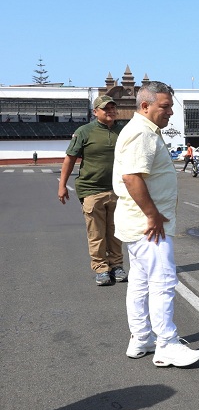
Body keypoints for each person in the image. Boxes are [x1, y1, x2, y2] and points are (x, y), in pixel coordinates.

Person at [113, 81, 199, 367]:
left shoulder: (146, 131)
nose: (171, 112)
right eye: (165, 106)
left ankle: (141, 338)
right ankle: (167, 344)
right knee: (163, 282)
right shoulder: (141, 134)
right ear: (145, 106)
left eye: (171, 106)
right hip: (148, 225)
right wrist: (152, 215)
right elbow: (132, 178)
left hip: (139, 223)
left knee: (140, 283)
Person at [58, 95, 126, 286]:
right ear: (95, 112)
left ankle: (117, 265)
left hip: (118, 190)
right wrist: (62, 185)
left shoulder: (123, 131)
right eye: (106, 108)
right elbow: (70, 158)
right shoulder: (84, 132)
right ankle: (101, 268)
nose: (110, 111)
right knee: (96, 233)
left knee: (116, 232)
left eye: (113, 108)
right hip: (91, 190)